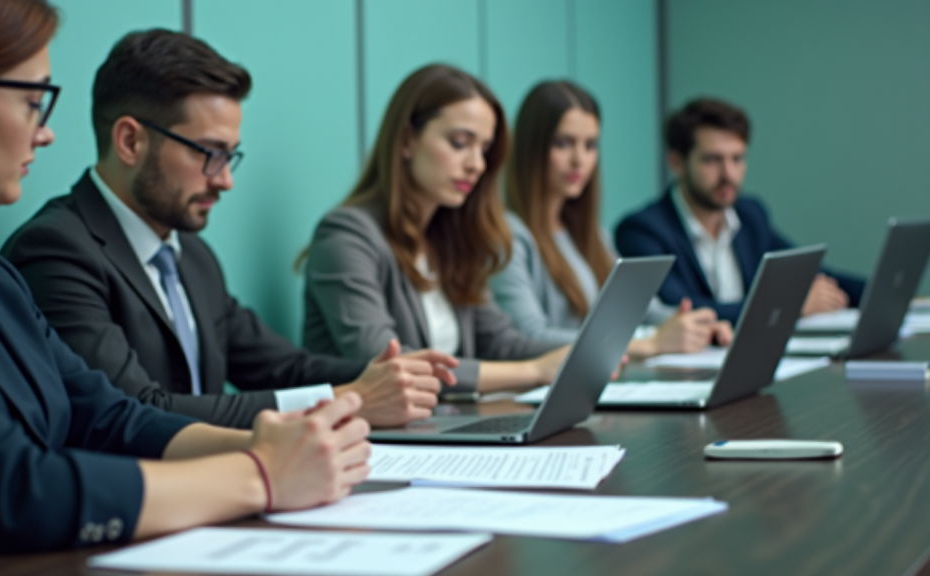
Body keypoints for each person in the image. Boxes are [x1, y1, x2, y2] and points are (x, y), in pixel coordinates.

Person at [0, 0, 374, 571]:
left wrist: (271, 446)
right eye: (33, 103)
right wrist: (261, 475)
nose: (48, 133)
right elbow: (15, 487)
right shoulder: (28, 253)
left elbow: (108, 416)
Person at [1, 29, 456, 429]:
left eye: (230, 155)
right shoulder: (56, 249)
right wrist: (344, 400)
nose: (225, 179)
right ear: (130, 141)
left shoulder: (193, 256)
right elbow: (136, 411)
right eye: (209, 153)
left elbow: (285, 367)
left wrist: (386, 374)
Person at [300, 64, 569, 396]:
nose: (477, 164)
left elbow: (500, 342)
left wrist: (575, 355)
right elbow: (390, 364)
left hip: (439, 428)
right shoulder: (345, 236)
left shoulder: (449, 239)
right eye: (459, 143)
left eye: (484, 149)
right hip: (370, 439)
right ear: (406, 140)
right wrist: (533, 372)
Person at [491, 80, 732, 355]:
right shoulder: (508, 236)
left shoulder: (592, 235)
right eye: (563, 143)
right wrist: (648, 345)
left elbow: (644, 312)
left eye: (590, 145)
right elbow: (529, 337)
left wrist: (697, 326)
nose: (579, 160)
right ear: (531, 149)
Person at [615, 98, 865, 324]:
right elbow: (681, 308)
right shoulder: (642, 231)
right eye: (713, 160)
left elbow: (808, 271)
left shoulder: (750, 215)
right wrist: (790, 305)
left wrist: (881, 293)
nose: (729, 174)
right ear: (677, 162)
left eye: (737, 159)